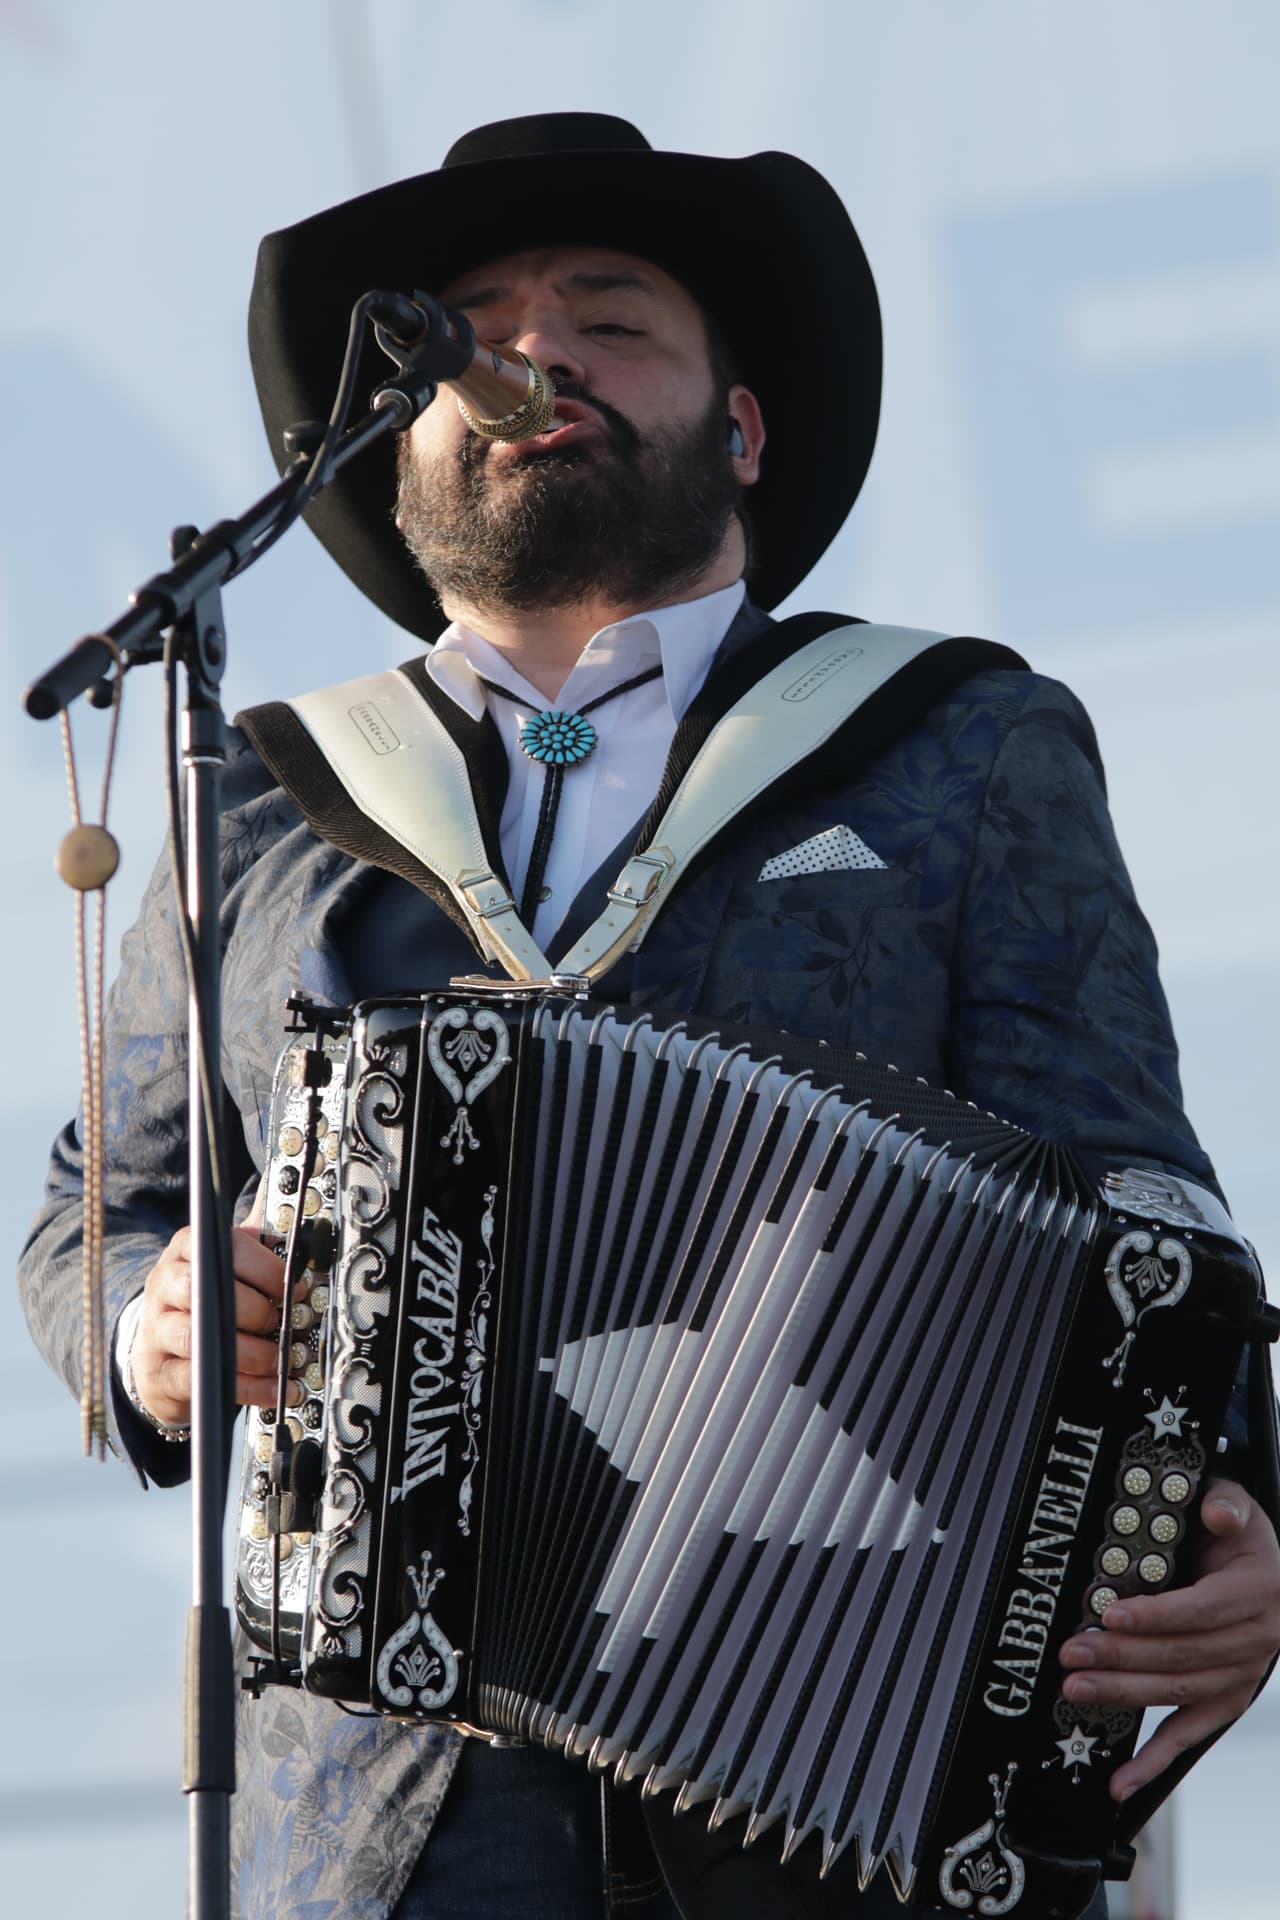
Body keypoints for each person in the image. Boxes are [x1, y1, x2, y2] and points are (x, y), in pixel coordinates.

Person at [18, 113, 1280, 1920]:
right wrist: (150, 1326)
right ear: (396, 450)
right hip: (385, 1823)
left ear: (741, 428)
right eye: (470, 335)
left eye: (610, 320)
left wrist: (1234, 1506)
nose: (535, 354)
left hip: (849, 1762)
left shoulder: (955, 746)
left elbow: (1137, 1196)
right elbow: (99, 1206)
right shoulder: (265, 814)